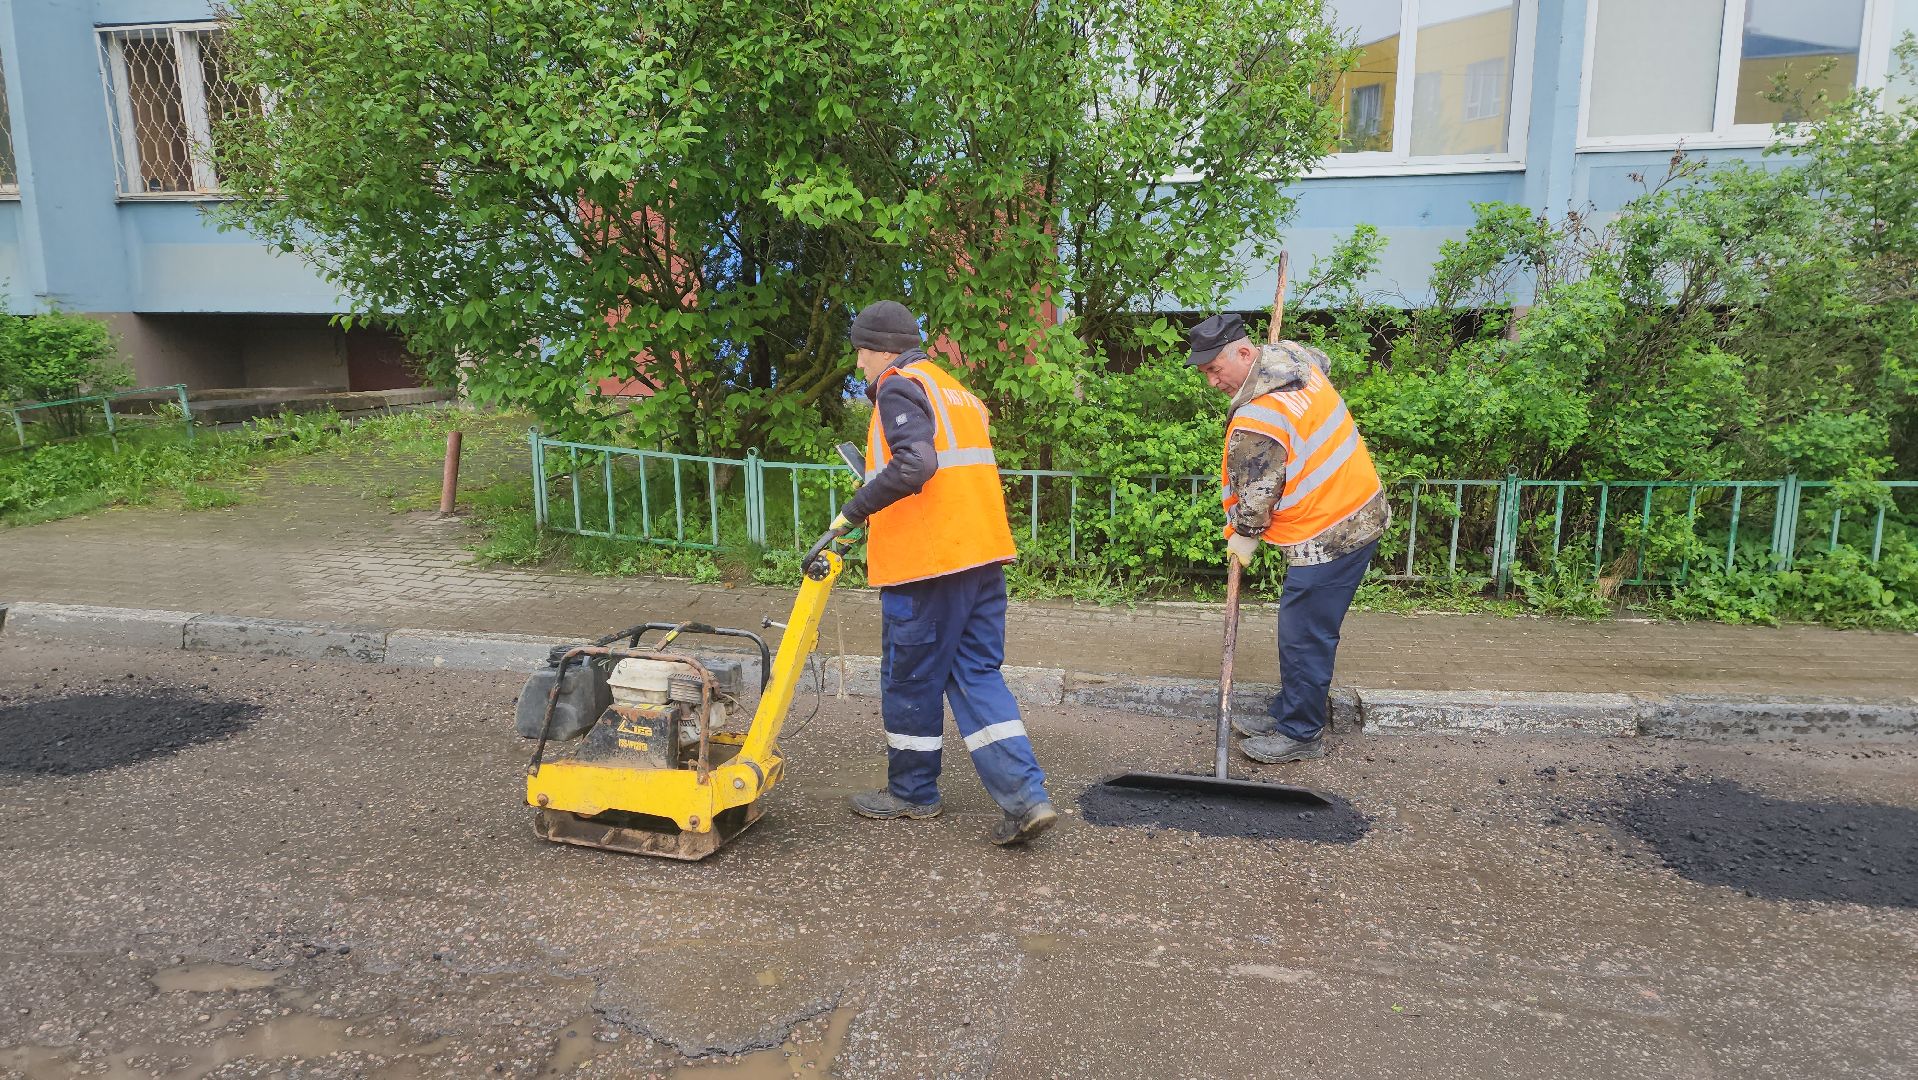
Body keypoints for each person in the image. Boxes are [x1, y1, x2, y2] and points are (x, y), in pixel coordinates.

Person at [827, 300, 1057, 846]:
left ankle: (912, 794)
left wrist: (857, 507)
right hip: (981, 557)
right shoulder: (953, 389)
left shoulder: (898, 386)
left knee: (910, 677)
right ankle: (1027, 799)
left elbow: (917, 465)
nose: (858, 364)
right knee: (977, 674)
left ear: (878, 348)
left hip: (929, 565)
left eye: (860, 351)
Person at [1188, 313, 1389, 763]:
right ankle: (1289, 710)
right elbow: (1325, 360)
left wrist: (1243, 537)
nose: (1212, 382)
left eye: (1215, 369)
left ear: (1244, 353)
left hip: (1333, 530)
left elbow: (1256, 503)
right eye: (1205, 373)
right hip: (1356, 504)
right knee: (1301, 627)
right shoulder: (1292, 356)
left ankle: (1302, 731)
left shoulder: (1258, 421)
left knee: (1304, 634)